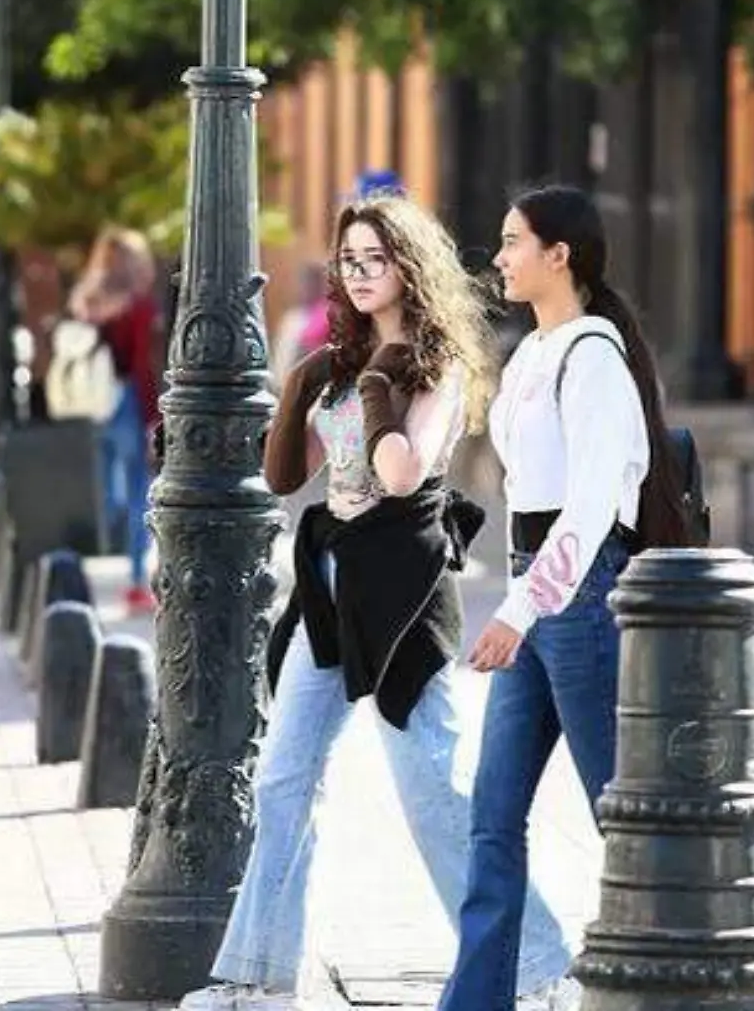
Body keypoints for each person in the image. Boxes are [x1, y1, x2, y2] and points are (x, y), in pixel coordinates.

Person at [177, 196, 577, 1011]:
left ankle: (536, 966)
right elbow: (289, 477)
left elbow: (400, 475)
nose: (359, 276)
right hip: (329, 585)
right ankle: (254, 976)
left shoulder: (439, 364)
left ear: (409, 267)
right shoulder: (341, 357)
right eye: (348, 261)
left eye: (375, 260)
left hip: (402, 591)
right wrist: (296, 390)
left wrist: (376, 389)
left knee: (430, 788)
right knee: (284, 775)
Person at [440, 185, 697, 1011]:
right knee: (494, 812)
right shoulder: (530, 356)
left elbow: (589, 512)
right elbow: (528, 489)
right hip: (537, 592)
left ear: (562, 256)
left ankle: (734, 974)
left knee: (620, 815)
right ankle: (476, 999)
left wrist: (520, 612)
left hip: (579, 600)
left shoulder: (594, 358)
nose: (501, 256)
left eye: (515, 242)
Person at [68, 227, 162, 613]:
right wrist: (153, 416)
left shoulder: (88, 298)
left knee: (111, 488)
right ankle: (138, 578)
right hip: (126, 400)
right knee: (141, 486)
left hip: (92, 399)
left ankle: (103, 550)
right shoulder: (139, 305)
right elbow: (143, 364)